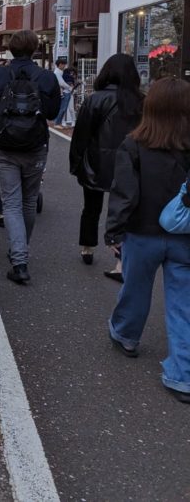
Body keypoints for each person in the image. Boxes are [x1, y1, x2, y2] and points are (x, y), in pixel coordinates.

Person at [104, 77, 190, 405]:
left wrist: (114, 231)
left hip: (142, 232)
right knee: (184, 305)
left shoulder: (134, 144)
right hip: (185, 236)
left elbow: (125, 193)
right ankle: (183, 375)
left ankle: (126, 335)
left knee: (135, 289)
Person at [0, 29, 61, 284]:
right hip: (35, 146)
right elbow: (53, 113)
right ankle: (20, 249)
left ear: (10, 49)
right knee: (29, 200)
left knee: (11, 202)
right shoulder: (46, 77)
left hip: (3, 145)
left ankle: (19, 260)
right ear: (34, 49)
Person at [69, 54, 143, 270]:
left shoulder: (95, 99)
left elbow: (81, 135)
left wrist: (76, 163)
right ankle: (121, 257)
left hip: (96, 162)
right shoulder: (141, 101)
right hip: (130, 163)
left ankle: (87, 246)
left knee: (91, 208)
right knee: (126, 209)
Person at [53, 58, 74, 126]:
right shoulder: (57, 72)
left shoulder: (60, 72)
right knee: (63, 108)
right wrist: (70, 88)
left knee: (65, 108)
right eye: (64, 65)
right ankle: (58, 123)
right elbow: (61, 83)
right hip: (64, 92)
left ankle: (59, 122)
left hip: (65, 91)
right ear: (60, 65)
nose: (65, 66)